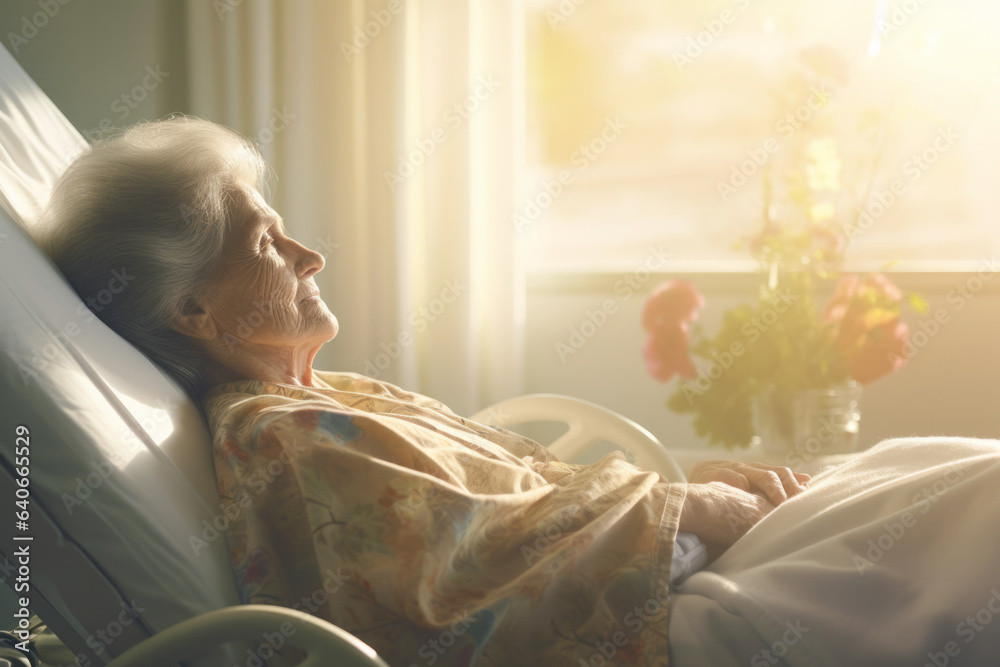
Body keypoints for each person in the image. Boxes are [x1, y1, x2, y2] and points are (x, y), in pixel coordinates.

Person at [35, 116, 811, 666]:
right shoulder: (284, 435)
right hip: (680, 621)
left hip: (686, 571)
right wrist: (693, 510)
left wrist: (691, 496)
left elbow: (516, 510)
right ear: (192, 308)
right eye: (269, 243)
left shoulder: (326, 397)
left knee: (918, 480)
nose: (311, 255)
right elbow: (469, 577)